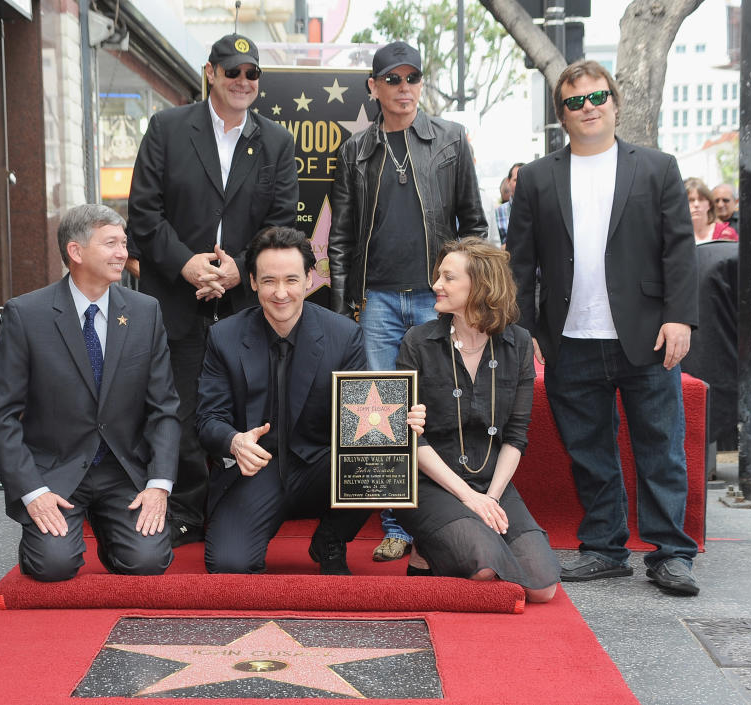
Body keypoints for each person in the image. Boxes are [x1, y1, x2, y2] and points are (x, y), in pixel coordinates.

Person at [507, 60, 701, 596]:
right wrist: (522, 334)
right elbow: (520, 266)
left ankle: (671, 554)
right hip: (568, 339)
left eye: (596, 98)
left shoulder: (657, 168)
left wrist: (680, 316)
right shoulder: (539, 179)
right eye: (574, 102)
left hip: (648, 336)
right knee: (589, 449)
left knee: (660, 447)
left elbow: (679, 250)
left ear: (615, 102)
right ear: (561, 116)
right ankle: (604, 548)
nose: (587, 108)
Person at [127, 33, 298, 547]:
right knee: (175, 405)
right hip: (176, 298)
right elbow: (144, 213)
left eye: (252, 74)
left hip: (246, 299)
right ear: (210, 73)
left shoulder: (277, 141)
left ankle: (238, 506)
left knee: (244, 406)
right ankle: (182, 511)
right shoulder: (167, 127)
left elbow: (282, 221)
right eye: (232, 72)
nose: (243, 82)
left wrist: (236, 269)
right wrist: (186, 265)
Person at [328, 40, 486, 562]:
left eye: (412, 77)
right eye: (392, 79)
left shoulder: (451, 141)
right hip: (375, 303)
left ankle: (443, 524)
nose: (404, 88)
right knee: (378, 417)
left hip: (437, 301)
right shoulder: (353, 151)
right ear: (373, 88)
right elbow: (341, 240)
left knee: (441, 407)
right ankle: (397, 523)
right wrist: (345, 307)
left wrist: (468, 297)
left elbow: (475, 226)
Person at [196, 226, 425, 575]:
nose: (281, 292)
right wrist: (234, 441)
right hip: (257, 468)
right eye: (269, 281)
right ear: (253, 282)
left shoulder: (343, 334)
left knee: (383, 453)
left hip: (322, 465)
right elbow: (207, 418)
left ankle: (331, 538)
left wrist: (401, 421)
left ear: (308, 279)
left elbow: (365, 422)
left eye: (291, 279)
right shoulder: (224, 336)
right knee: (229, 565)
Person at [0, 204, 180, 582]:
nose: (123, 253)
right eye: (111, 243)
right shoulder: (27, 314)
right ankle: (51, 538)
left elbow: (165, 408)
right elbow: (0, 416)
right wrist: (32, 491)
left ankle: (112, 535)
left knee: (147, 562)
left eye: (124, 243)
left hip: (122, 469)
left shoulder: (145, 311)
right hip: (54, 470)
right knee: (52, 566)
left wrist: (159, 484)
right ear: (75, 252)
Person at [392, 238, 559, 603]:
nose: (437, 284)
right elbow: (412, 440)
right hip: (430, 482)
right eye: (439, 276)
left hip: (491, 481)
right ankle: (431, 546)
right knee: (483, 569)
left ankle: (455, 543)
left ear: (480, 285)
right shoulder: (418, 342)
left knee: (542, 587)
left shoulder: (517, 343)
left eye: (448, 278)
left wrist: (491, 499)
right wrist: (468, 497)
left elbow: (516, 437)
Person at [685, 177, 738, 243]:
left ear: (709, 204)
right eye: (690, 200)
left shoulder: (726, 234)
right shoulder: (676, 235)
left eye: (701, 199)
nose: (696, 204)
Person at [494, 162, 524, 247]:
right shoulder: (498, 212)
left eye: (525, 179)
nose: (521, 183)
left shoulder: (539, 209)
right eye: (516, 179)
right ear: (508, 181)